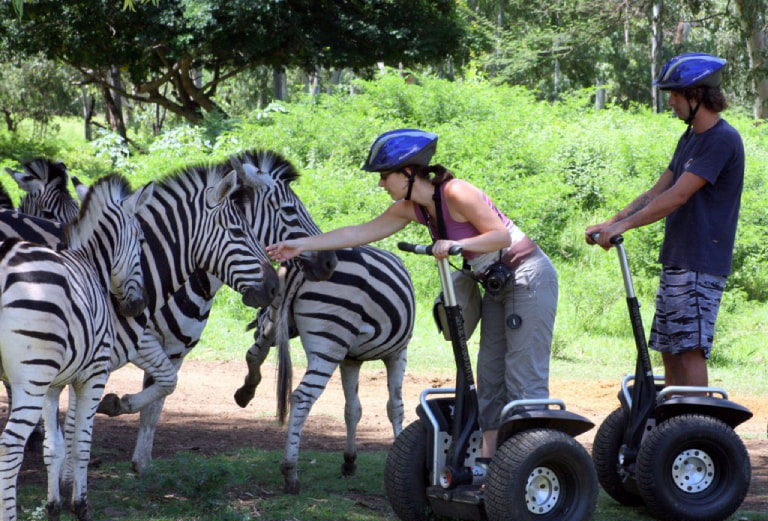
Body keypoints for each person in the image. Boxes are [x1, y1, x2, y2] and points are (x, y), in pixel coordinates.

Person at [267, 128, 558, 459]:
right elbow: (357, 233)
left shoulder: (457, 192)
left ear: (407, 172)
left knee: (522, 373)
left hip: (528, 276)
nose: (380, 184)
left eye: (384, 176)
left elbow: (499, 237)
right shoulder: (413, 209)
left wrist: (456, 245)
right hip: (496, 283)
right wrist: (300, 245)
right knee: (489, 375)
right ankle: (489, 465)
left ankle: (533, 461)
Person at [586, 53, 744, 389]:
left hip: (701, 262)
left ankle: (696, 428)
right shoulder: (690, 139)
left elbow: (677, 197)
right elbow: (657, 190)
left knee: (690, 349)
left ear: (696, 96)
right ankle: (673, 429)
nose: (670, 102)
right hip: (678, 259)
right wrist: (610, 221)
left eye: (674, 95)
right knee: (670, 349)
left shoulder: (721, 139)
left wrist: (621, 228)